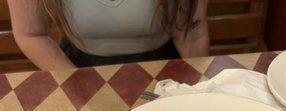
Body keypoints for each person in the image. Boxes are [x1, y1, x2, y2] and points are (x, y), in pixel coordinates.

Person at [7, 0, 209, 70]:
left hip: (164, 64)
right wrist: (73, 77)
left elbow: (192, 36)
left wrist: (200, 89)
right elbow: (31, 34)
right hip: (75, 67)